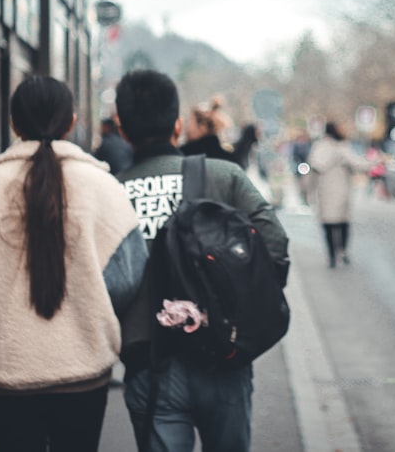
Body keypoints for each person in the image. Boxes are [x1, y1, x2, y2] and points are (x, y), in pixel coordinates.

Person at [0, 76, 148, 452]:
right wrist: (87, 303)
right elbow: (128, 278)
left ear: (14, 124)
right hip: (82, 371)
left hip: (6, 373)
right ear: (72, 121)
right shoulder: (103, 186)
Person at [113, 69, 289, 452]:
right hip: (223, 355)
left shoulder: (110, 191)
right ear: (177, 125)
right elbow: (275, 246)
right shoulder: (224, 176)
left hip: (149, 363)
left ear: (122, 129)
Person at [307, 121, 369, 268]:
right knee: (342, 223)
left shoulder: (319, 147)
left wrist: (309, 191)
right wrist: (376, 161)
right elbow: (358, 164)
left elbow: (313, 171)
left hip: (324, 191)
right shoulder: (342, 147)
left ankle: (332, 255)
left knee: (328, 224)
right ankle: (342, 250)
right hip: (342, 190)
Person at [180, 95, 237, 163]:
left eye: (189, 122)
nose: (186, 128)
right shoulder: (229, 158)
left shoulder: (185, 156)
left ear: (202, 128)